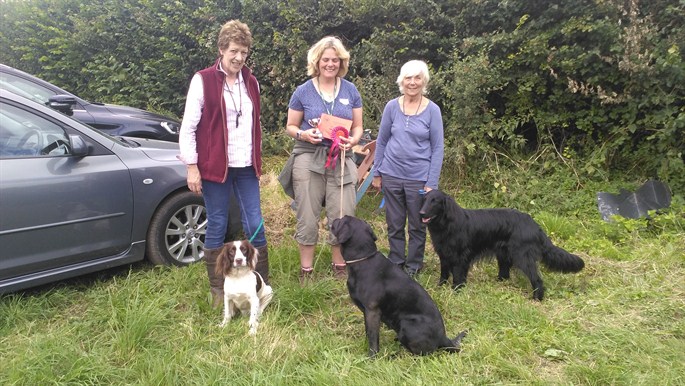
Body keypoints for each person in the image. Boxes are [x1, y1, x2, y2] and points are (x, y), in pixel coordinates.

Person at [178, 20, 269, 307]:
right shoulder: (203, 80)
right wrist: (192, 165)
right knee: (217, 221)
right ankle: (219, 289)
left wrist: (257, 161)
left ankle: (259, 283)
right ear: (221, 49)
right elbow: (188, 127)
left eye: (244, 52)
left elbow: (255, 125)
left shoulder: (250, 82)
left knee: (254, 222)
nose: (239, 57)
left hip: (245, 166)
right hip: (215, 166)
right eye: (234, 51)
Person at [282, 36, 363, 281]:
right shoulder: (302, 91)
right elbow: (290, 126)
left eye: (335, 60)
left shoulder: (351, 90)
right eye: (326, 59)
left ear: (342, 62)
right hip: (308, 157)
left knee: (342, 214)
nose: (330, 64)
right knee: (307, 214)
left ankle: (340, 266)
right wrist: (304, 134)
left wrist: (353, 140)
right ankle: (306, 270)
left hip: (341, 158)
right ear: (317, 62)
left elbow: (358, 127)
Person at [371, 60, 444, 277]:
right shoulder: (392, 107)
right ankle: (395, 262)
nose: (412, 82)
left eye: (417, 78)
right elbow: (382, 141)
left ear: (424, 81)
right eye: (408, 78)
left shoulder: (433, 110)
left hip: (418, 179)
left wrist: (431, 182)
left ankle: (413, 266)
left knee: (416, 225)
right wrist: (377, 171)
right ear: (402, 81)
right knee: (394, 223)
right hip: (391, 174)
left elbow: (438, 147)